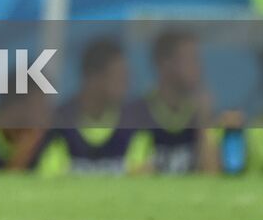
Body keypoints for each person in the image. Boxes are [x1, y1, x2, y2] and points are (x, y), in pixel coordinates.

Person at [36, 38, 153, 176]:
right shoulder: (59, 123)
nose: (126, 83)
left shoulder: (133, 124)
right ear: (93, 78)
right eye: (118, 76)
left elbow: (141, 178)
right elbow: (49, 179)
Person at [127, 29, 217, 175]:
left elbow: (213, 174)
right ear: (165, 64)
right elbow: (131, 171)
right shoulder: (138, 112)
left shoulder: (199, 111)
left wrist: (204, 121)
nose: (198, 67)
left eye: (198, 60)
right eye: (190, 60)